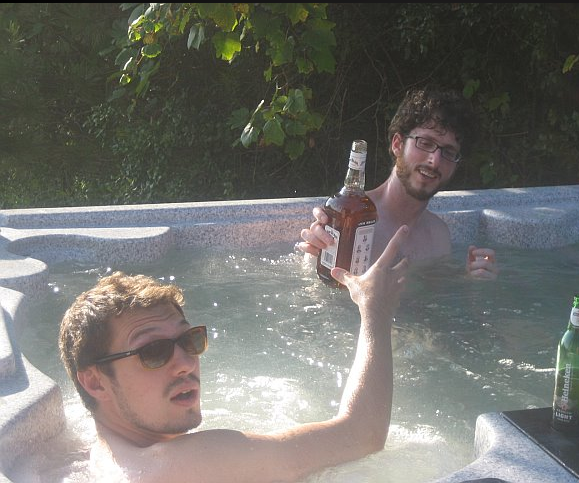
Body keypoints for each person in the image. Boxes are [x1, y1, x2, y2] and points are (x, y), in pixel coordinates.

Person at [59, 226, 410, 483]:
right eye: (154, 352)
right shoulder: (179, 466)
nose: (186, 363)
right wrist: (375, 311)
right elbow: (362, 435)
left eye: (189, 341)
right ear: (95, 382)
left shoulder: (97, 458)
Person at [298, 88, 499, 280]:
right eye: (425, 143)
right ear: (397, 144)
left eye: (448, 152)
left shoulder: (439, 236)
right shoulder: (350, 219)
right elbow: (315, 295)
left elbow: (433, 299)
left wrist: (470, 283)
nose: (435, 161)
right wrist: (315, 255)